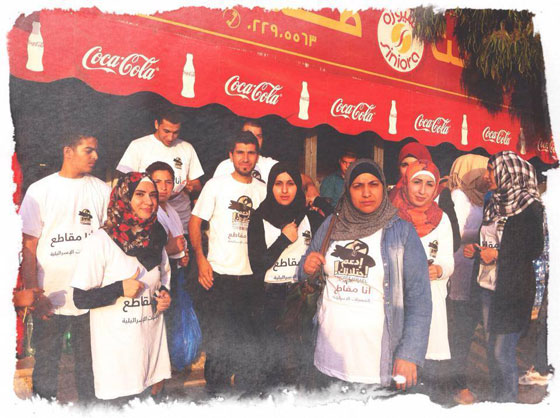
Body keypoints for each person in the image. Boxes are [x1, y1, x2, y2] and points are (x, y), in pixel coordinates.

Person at [298, 159, 432, 390]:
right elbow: (305, 272)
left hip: (376, 366)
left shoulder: (402, 232)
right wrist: (306, 267)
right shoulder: (332, 224)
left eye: (373, 184)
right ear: (348, 190)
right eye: (358, 186)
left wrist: (409, 354)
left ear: (383, 187)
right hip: (327, 360)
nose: (366, 193)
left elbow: (419, 299)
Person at [19, 132, 110, 401]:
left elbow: (110, 241)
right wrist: (34, 293)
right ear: (68, 151)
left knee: (90, 368)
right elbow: (29, 244)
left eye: (96, 150)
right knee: (47, 366)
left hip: (90, 297)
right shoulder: (40, 190)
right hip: (50, 298)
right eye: (88, 150)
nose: (95, 156)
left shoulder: (102, 190)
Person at [71, 172, 172, 401]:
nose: (148, 201)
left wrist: (164, 296)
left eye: (153, 195)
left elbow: (164, 276)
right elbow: (80, 298)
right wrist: (118, 289)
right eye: (140, 194)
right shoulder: (101, 242)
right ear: (124, 198)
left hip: (149, 355)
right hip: (117, 362)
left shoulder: (156, 236)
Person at [189, 131, 267, 392]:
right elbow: (195, 223)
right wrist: (201, 259)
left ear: (257, 156)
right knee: (219, 344)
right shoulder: (216, 185)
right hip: (220, 276)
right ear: (231, 155)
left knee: (248, 342)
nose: (245, 158)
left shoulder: (263, 190)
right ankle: (216, 396)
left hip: (252, 278)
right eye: (240, 152)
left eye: (251, 153)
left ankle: (245, 397)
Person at [464, 151, 544, 402]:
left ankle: (507, 401)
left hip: (513, 290)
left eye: (492, 170)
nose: (487, 176)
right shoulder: (493, 201)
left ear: (508, 172)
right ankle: (499, 396)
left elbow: (534, 248)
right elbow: (490, 238)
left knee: (502, 351)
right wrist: (476, 250)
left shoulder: (530, 206)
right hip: (487, 286)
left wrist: (498, 255)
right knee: (491, 347)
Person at [247, 162, 325, 387]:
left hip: (302, 296)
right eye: (278, 184)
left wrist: (319, 200)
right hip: (270, 298)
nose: (284, 190)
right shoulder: (259, 217)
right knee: (272, 366)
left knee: (301, 363)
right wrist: (283, 239)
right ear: (270, 186)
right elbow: (257, 264)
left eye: (290, 184)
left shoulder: (310, 218)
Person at [390, 159, 454, 401]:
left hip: (431, 301)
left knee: (425, 376)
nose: (422, 190)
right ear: (406, 183)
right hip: (397, 300)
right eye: (417, 182)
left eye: (429, 184)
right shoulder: (391, 215)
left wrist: (439, 269)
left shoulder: (442, 219)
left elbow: (449, 261)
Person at [444, 154, 489, 404]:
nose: (486, 176)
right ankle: (457, 385)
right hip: (460, 270)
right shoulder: (458, 197)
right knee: (460, 330)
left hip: (475, 269)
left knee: (467, 329)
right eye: (481, 171)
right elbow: (455, 232)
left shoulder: (480, 198)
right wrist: (484, 238)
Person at [116, 108, 204, 232]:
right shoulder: (138, 146)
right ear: (156, 124)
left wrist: (191, 186)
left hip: (180, 219)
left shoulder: (186, 148)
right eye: (166, 131)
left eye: (175, 132)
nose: (171, 137)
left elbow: (197, 184)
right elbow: (124, 184)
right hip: (147, 220)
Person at [213, 119, 320, 205]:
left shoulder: (269, 165)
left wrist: (310, 186)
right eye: (249, 134)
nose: (254, 139)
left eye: (258, 136)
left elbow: (301, 178)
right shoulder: (225, 166)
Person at [389, 142, 460, 252]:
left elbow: (454, 241)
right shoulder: (392, 195)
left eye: (416, 164)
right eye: (404, 165)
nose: (409, 169)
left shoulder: (440, 194)